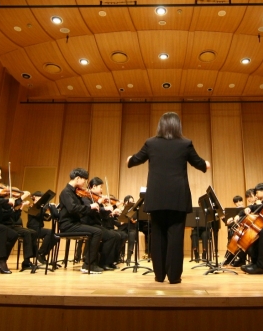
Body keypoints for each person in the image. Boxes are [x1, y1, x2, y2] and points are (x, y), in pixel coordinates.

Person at [127, 112, 210, 284]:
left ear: (161, 126)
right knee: (175, 237)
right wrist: (206, 164)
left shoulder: (150, 143)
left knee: (157, 235)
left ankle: (159, 276)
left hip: (156, 197)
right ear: (177, 125)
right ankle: (174, 277)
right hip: (178, 197)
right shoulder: (185, 143)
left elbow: (135, 160)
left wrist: (129, 160)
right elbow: (200, 163)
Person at [58, 168, 105, 274]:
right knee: (97, 232)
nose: (85, 183)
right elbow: (73, 209)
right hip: (68, 225)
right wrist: (90, 207)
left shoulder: (76, 193)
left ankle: (91, 263)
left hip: (75, 223)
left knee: (97, 230)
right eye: (84, 180)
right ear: (78, 178)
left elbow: (81, 208)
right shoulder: (66, 192)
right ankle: (88, 265)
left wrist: (93, 205)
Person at [81, 177, 121, 270]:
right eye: (100, 187)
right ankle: (103, 262)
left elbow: (101, 213)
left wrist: (109, 210)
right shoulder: (86, 197)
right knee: (111, 235)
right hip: (89, 224)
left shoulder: (96, 198)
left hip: (96, 224)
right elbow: (89, 210)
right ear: (94, 186)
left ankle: (109, 261)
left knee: (117, 235)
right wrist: (100, 204)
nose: (102, 189)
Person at [26, 191, 59, 265]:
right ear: (35, 197)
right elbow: (38, 214)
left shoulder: (40, 208)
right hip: (33, 229)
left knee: (56, 236)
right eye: (40, 197)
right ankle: (40, 253)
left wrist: (53, 210)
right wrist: (46, 205)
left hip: (39, 229)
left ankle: (43, 254)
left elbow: (47, 219)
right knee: (50, 232)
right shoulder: (32, 207)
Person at [117, 195, 138, 264]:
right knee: (121, 236)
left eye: (132, 202)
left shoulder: (134, 210)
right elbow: (118, 221)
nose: (131, 204)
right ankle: (119, 255)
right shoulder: (121, 209)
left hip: (131, 228)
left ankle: (128, 258)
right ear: (125, 202)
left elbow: (135, 220)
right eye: (130, 202)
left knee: (132, 236)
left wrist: (133, 219)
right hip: (122, 228)